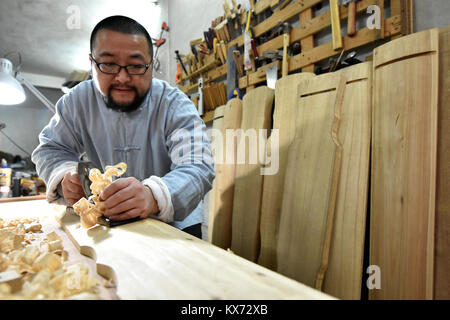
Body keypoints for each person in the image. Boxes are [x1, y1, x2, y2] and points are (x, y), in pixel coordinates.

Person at [31, 15, 215, 239]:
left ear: (151, 64)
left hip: (175, 226)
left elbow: (198, 166)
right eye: (108, 64)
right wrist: (63, 179)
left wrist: (153, 196)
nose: (122, 78)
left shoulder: (174, 103)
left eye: (136, 66)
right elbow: (51, 149)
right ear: (92, 61)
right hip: (106, 226)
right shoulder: (77, 101)